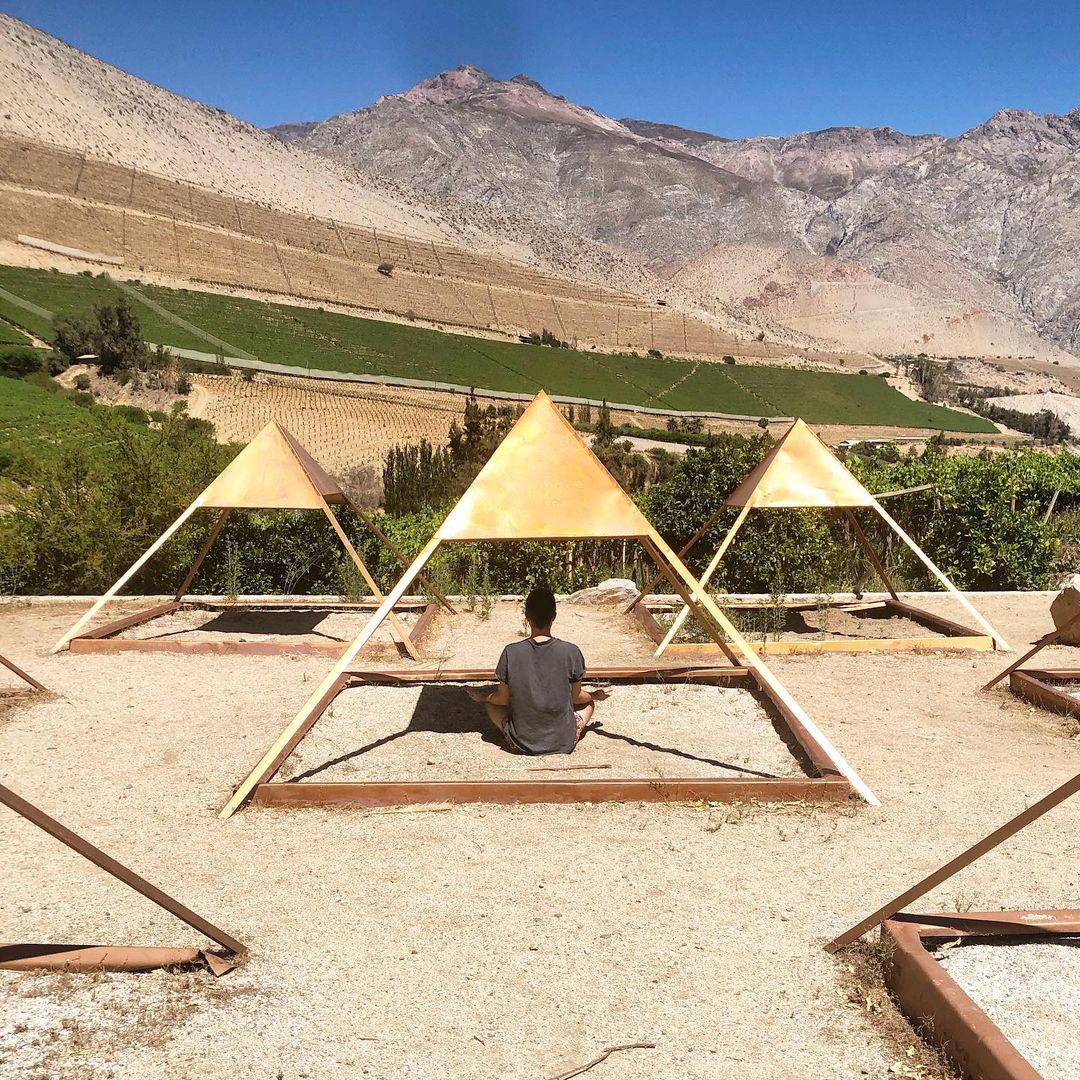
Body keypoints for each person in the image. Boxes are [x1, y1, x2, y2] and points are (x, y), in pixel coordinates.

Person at [467, 587, 609, 754]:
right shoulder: (571, 651)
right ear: (554, 617)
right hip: (563, 741)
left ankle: (515, 733)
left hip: (522, 742)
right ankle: (568, 731)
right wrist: (593, 696)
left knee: (491, 704)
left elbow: (503, 699)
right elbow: (576, 697)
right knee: (589, 705)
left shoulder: (511, 652)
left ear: (527, 617)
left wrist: (484, 697)